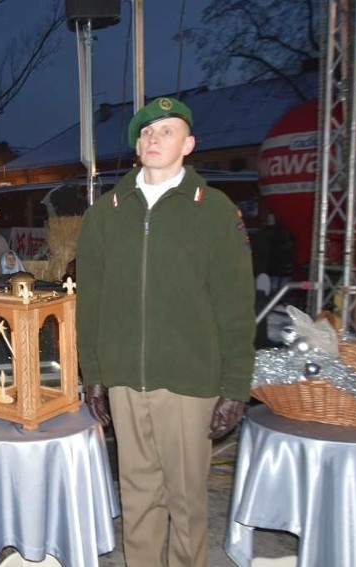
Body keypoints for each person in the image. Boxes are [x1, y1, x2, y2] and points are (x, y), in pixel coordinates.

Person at [76, 97, 255, 567]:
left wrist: (236, 386)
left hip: (190, 381)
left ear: (189, 144)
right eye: (146, 133)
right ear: (138, 146)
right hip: (125, 381)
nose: (154, 139)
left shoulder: (215, 212)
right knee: (136, 497)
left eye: (167, 131)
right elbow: (90, 303)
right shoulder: (105, 213)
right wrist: (93, 374)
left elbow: (236, 307)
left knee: (187, 501)